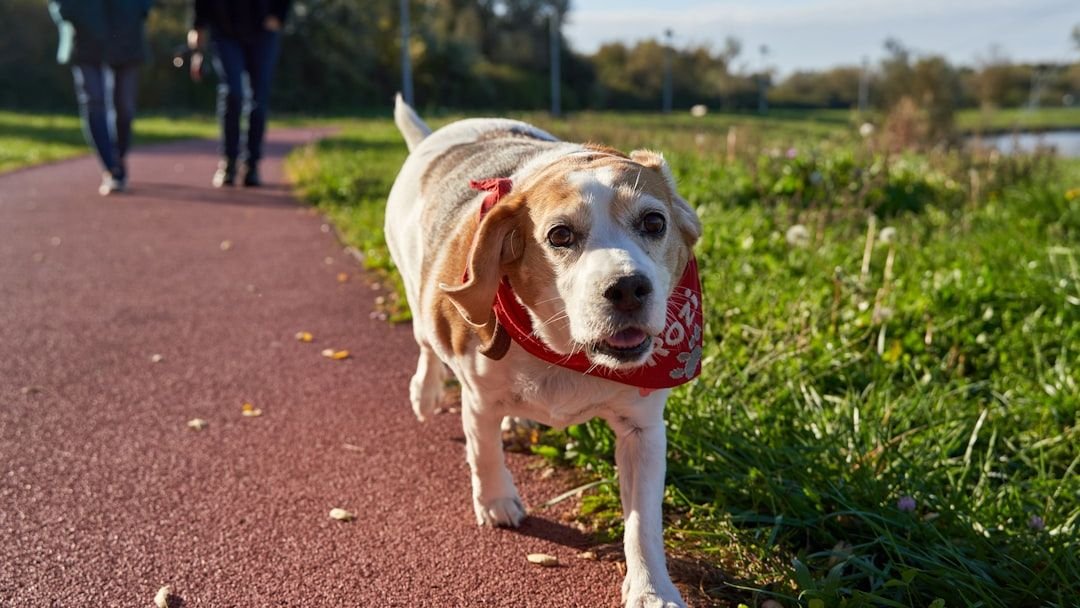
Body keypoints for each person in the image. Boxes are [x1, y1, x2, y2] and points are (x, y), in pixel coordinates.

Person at [49, 0, 153, 196]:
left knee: (125, 108)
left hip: (126, 35)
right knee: (94, 101)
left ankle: (118, 157)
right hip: (83, 37)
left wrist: (142, 7)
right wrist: (67, 12)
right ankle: (111, 168)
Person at [188, 1, 291, 188]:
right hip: (225, 32)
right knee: (233, 93)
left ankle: (252, 164)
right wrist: (198, 32)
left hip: (263, 32)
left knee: (258, 101)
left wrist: (279, 15)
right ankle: (229, 162)